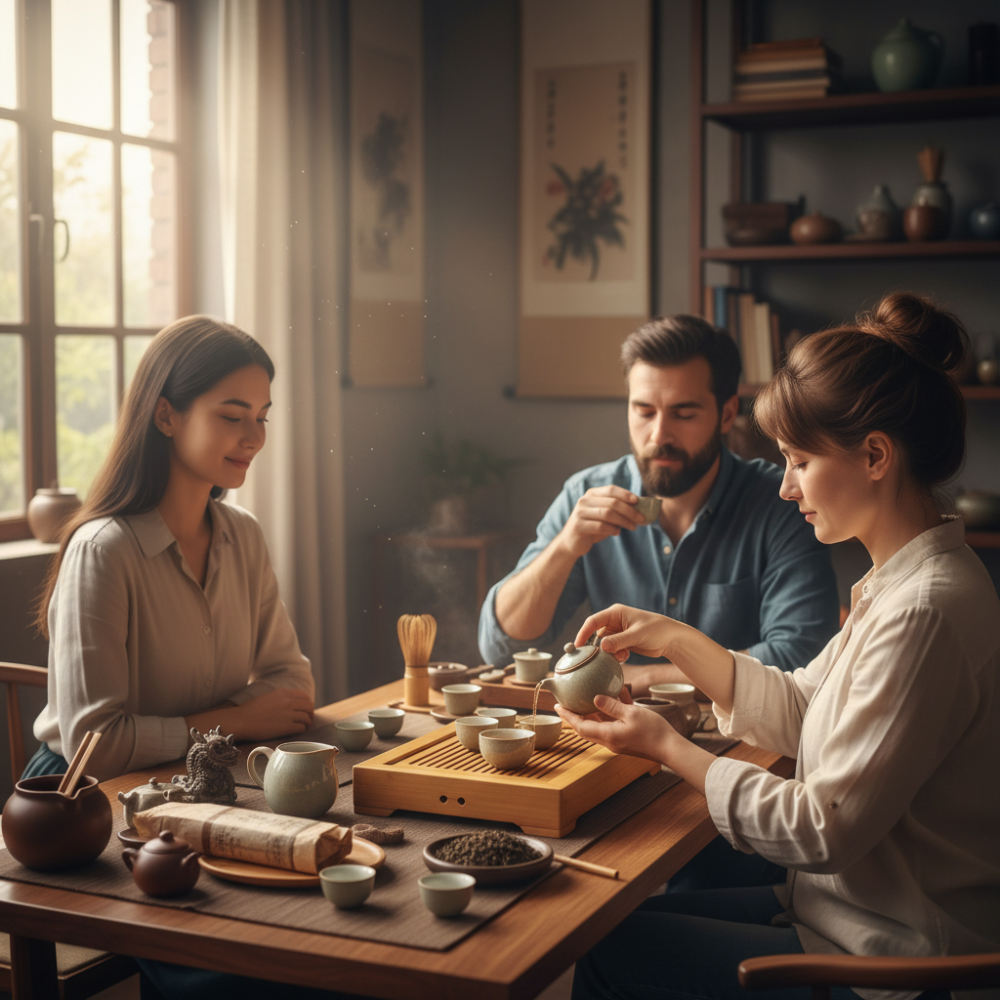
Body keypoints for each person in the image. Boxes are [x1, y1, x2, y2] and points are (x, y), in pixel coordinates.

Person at [555, 292, 1000, 1000]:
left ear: (875, 455)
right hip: (834, 918)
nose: (787, 487)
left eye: (797, 461)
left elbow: (820, 827)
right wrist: (671, 635)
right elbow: (800, 703)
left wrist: (668, 749)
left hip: (889, 965)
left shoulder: (924, 611)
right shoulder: (900, 583)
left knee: (608, 952)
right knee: (604, 929)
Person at [479, 314, 840, 695]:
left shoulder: (781, 503)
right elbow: (502, 646)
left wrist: (647, 677)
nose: (659, 434)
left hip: (741, 739)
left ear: (727, 414)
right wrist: (565, 547)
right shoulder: (584, 494)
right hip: (612, 738)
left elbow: (800, 656)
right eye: (644, 411)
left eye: (683, 414)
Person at [24, 315, 315, 782]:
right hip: (84, 799)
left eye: (261, 417)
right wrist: (239, 720)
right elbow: (93, 746)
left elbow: (294, 687)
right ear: (165, 416)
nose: (255, 437)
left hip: (197, 775)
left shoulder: (243, 535)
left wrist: (202, 727)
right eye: (232, 416)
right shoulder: (102, 553)